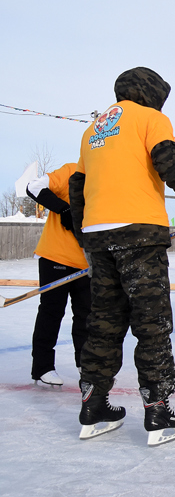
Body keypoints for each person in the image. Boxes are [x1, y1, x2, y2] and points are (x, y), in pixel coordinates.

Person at [69, 66, 175, 445]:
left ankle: (94, 405)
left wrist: (84, 233)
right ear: (151, 93)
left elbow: (78, 185)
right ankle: (158, 412)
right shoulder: (151, 118)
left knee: (103, 321)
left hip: (99, 237)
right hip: (139, 233)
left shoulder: (94, 129)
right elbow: (169, 161)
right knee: (151, 322)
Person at [26, 163, 90, 387]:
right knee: (51, 312)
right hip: (56, 258)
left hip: (88, 263)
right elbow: (34, 187)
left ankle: (86, 366)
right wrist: (63, 209)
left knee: (86, 315)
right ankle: (43, 367)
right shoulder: (73, 171)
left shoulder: (109, 182)